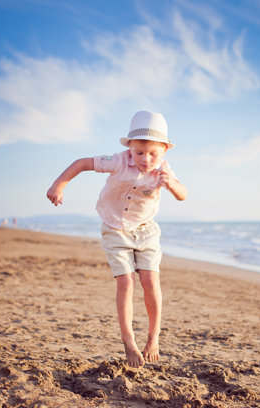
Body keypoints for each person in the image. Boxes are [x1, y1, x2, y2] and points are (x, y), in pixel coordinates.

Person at [47, 111, 187, 368]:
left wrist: (172, 185)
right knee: (126, 283)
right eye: (139, 153)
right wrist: (60, 184)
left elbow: (182, 195)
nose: (146, 160)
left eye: (153, 154)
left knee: (150, 281)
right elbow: (81, 163)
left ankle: (153, 336)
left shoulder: (164, 169)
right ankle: (128, 338)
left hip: (146, 231)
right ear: (130, 149)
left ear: (165, 150)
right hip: (114, 230)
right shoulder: (118, 161)